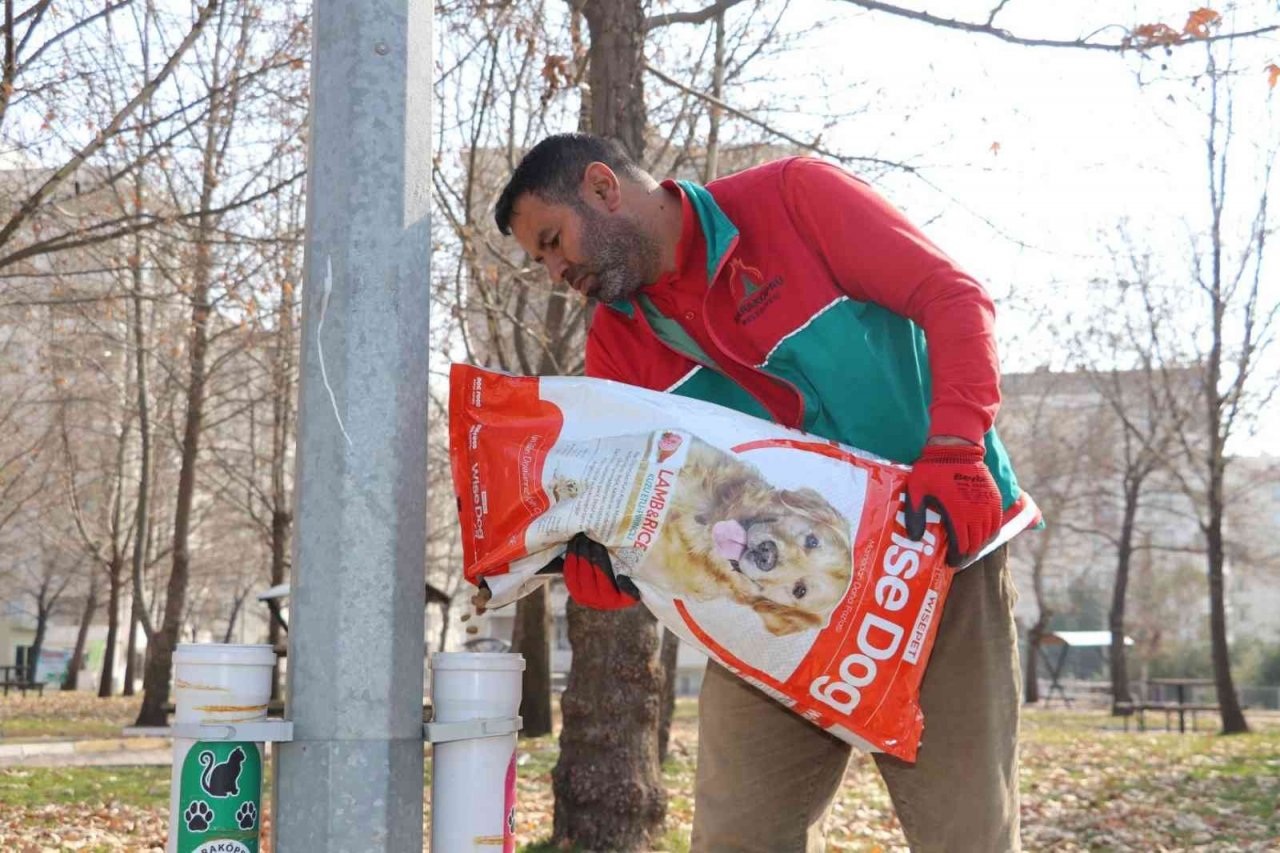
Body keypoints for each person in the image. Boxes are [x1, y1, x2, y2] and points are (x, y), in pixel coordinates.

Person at [493, 132, 1035, 852]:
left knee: (966, 835)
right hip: (776, 611)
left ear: (601, 187)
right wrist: (609, 560)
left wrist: (958, 446)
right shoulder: (617, 348)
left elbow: (955, 297)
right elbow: (654, 515)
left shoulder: (796, 199)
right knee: (736, 838)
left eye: (554, 241)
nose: (558, 270)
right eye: (542, 260)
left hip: (934, 553)